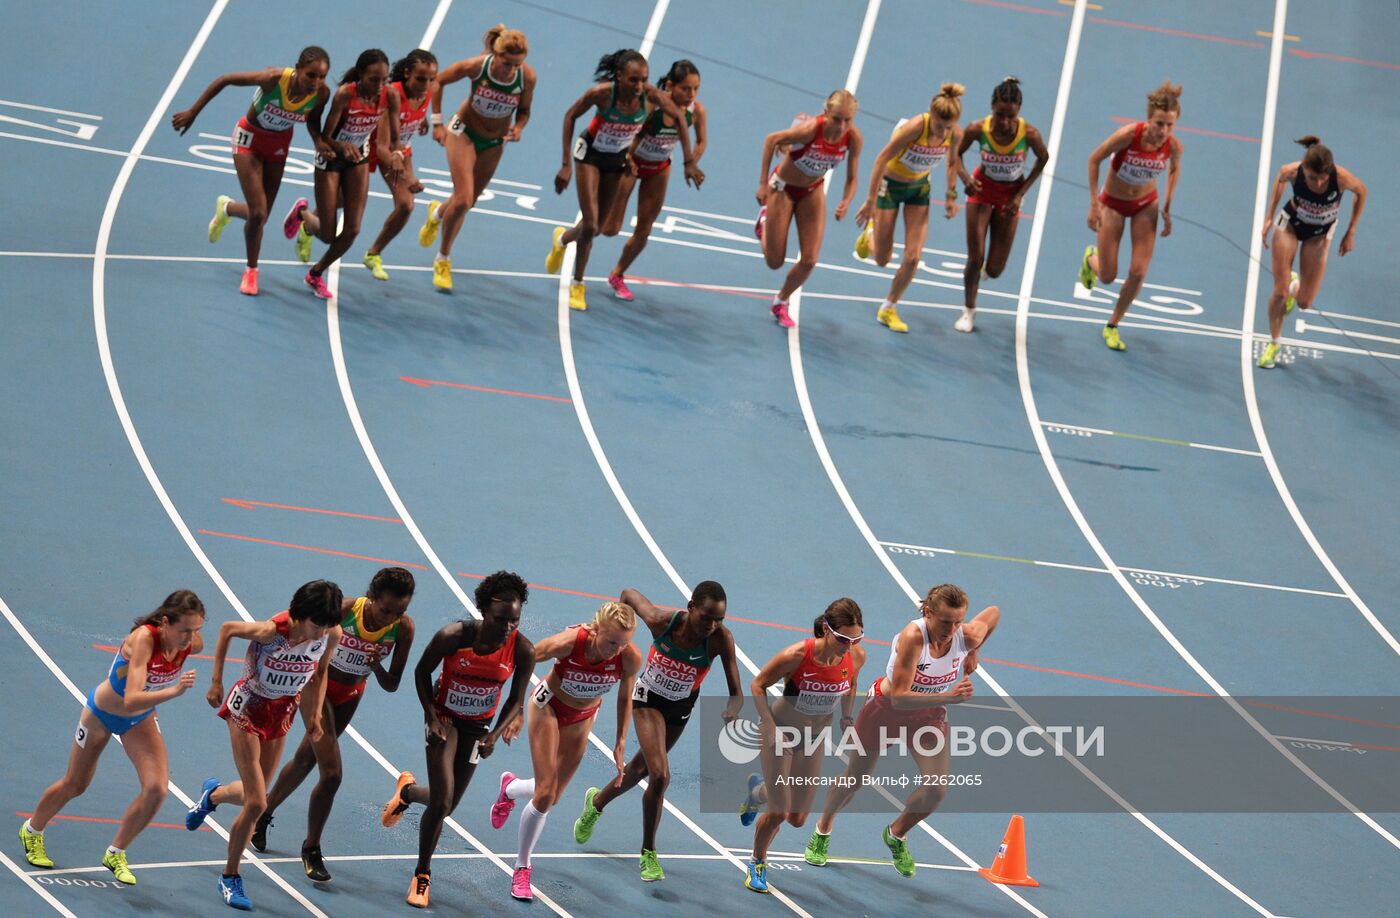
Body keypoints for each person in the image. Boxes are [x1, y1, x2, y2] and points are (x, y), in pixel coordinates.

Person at [804, 584, 999, 878]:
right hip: (886, 710)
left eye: (958, 621)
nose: (952, 628)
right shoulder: (913, 638)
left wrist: (975, 651)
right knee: (855, 779)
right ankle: (823, 829)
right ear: (928, 612)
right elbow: (900, 696)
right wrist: (949, 696)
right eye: (946, 621)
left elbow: (993, 613)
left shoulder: (964, 635)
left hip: (927, 715)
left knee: (936, 789)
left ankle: (896, 834)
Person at [19, 591, 204, 886]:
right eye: (185, 630)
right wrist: (175, 691)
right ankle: (32, 830)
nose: (191, 637)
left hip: (139, 719)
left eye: (197, 629)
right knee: (76, 783)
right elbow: (131, 698)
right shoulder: (144, 639)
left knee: (157, 789)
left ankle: (116, 852)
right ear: (166, 622)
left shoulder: (190, 642)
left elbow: (138, 706)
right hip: (102, 713)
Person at [379, 571, 535, 909]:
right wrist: (431, 716)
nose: (508, 626)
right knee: (441, 802)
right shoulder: (453, 636)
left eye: (515, 620)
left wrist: (494, 733)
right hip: (445, 720)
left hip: (478, 728)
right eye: (501, 618)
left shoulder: (522, 650)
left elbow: (516, 700)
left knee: (447, 804)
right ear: (482, 609)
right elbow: (422, 673)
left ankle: (406, 792)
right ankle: (422, 875)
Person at [250, 568, 416, 882]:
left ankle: (262, 814)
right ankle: (311, 847)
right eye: (386, 609)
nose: (391, 617)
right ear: (371, 598)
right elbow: (301, 634)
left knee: (305, 759)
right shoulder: (345, 611)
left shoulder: (403, 629)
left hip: (352, 694)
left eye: (400, 611)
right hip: (318, 688)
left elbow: (392, 683)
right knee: (332, 774)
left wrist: (375, 665)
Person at [184, 580, 343, 910]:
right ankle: (230, 877)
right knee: (257, 803)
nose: (322, 631)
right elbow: (228, 629)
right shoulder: (272, 631)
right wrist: (216, 681)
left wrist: (313, 715)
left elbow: (320, 671)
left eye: (327, 624)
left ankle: (211, 796)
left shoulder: (330, 634)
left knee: (251, 794)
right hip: (248, 708)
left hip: (281, 713)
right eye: (317, 624)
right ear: (300, 616)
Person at [572, 582, 743, 882]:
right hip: (648, 701)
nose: (711, 625)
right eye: (706, 617)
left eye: (719, 619)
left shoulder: (720, 640)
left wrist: (733, 709)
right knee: (661, 775)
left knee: (639, 770)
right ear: (690, 608)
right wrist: (615, 634)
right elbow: (626, 594)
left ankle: (596, 803)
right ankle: (648, 853)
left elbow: (736, 691)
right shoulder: (660, 621)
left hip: (680, 710)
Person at [489, 601, 642, 900]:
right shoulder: (572, 643)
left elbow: (626, 697)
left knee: (552, 796)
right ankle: (522, 867)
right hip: (548, 707)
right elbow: (528, 656)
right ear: (596, 629)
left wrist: (621, 741)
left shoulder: (629, 658)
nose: (616, 650)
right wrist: (516, 710)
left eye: (623, 643)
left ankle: (510, 788)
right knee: (545, 794)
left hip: (582, 719)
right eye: (611, 641)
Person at [547, 49, 702, 312]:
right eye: (633, 80)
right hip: (590, 155)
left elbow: (678, 118)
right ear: (619, 76)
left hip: (615, 160)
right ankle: (578, 284)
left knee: (597, 228)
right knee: (593, 223)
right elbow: (570, 116)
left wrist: (689, 162)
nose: (640, 86)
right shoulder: (602, 94)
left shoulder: (651, 95)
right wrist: (565, 165)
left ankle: (561, 240)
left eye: (644, 79)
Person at [172, 47, 331, 296]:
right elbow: (225, 80)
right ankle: (251, 271)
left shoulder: (321, 94)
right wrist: (193, 112)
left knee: (262, 215)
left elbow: (313, 121)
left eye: (322, 76)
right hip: (249, 140)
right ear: (298, 69)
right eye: (311, 75)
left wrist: (319, 142)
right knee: (258, 213)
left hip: (278, 145)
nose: (317, 82)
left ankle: (226, 209)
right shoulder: (272, 80)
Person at [739, 599, 865, 894]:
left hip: (813, 740)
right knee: (780, 813)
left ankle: (758, 791)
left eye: (856, 639)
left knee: (797, 819)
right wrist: (768, 725)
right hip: (780, 734)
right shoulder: (797, 655)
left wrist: (846, 717)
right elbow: (758, 684)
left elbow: (852, 682)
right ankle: (757, 862)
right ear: (826, 629)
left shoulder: (855, 656)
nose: (849, 646)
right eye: (844, 639)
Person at [417, 25, 536, 292]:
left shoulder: (527, 77)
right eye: (507, 63)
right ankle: (443, 259)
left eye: (517, 64)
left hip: (494, 142)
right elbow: (438, 81)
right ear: (496, 54)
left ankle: (436, 213)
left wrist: (519, 128)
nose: (510, 69)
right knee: (463, 199)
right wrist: (436, 122)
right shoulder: (476, 67)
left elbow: (525, 111)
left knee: (466, 201)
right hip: (464, 132)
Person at [282, 49, 397, 299]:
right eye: (373, 80)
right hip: (332, 158)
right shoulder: (345, 95)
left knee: (353, 229)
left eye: (384, 79)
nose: (379, 86)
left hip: (358, 158)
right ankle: (303, 213)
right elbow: (326, 136)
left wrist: (397, 157)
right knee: (327, 234)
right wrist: (341, 145)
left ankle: (315, 273)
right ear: (360, 76)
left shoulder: (389, 96)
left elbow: (396, 138)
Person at [1078, 82, 1185, 351]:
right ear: (1149, 119)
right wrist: (1093, 203)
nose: (1164, 131)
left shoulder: (1173, 146)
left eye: (1170, 125)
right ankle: (1091, 260)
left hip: (1145, 205)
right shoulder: (1128, 135)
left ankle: (1113, 324)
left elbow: (1174, 170)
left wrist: (1168, 206)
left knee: (1138, 272)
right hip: (1113, 204)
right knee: (1107, 276)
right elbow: (1093, 158)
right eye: (1160, 124)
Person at [854, 83, 966, 334]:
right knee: (882, 259)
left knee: (913, 257)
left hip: (919, 190)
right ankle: (870, 233)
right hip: (890, 187)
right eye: (939, 125)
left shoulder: (955, 134)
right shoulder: (916, 126)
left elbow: (952, 162)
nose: (942, 131)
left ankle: (888, 307)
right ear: (931, 114)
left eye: (947, 127)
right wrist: (870, 199)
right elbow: (882, 158)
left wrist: (950, 195)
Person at [597, 59, 708, 302]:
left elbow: (701, 141)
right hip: (632, 166)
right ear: (670, 85)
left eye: (696, 89)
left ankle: (617, 274)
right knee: (609, 228)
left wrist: (692, 161)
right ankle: (576, 231)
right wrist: (628, 156)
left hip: (659, 169)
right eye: (686, 89)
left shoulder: (696, 111)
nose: (691, 95)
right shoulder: (652, 106)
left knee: (644, 231)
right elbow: (631, 132)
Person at [1257, 136, 1367, 369]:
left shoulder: (1341, 178)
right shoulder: (1292, 172)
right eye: (1312, 178)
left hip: (1319, 234)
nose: (1317, 184)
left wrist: (1351, 232)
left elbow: (1362, 192)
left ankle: (1295, 286)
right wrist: (1269, 217)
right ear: (1303, 168)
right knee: (1279, 292)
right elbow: (1279, 179)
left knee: (1305, 303)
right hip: (1290, 225)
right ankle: (1274, 342)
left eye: (1322, 179)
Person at [756, 91, 863, 328]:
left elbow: (852, 178)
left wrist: (846, 199)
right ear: (826, 113)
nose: (842, 125)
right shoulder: (810, 130)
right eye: (837, 119)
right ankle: (764, 221)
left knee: (810, 259)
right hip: (783, 189)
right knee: (774, 261)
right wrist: (763, 184)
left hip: (812, 190)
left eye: (848, 120)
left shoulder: (853, 138)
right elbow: (771, 139)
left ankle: (781, 301)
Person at [953, 77, 1048, 333]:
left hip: (1010, 196)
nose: (1004, 122)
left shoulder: (1029, 134)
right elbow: (956, 154)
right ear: (991, 106)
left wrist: (1020, 194)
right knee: (975, 258)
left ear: (1019, 111)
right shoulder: (977, 129)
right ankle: (968, 310)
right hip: (982, 190)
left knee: (994, 269)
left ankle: (986, 272)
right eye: (999, 114)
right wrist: (965, 179)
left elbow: (1043, 159)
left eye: (1010, 116)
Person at [362, 50, 439, 281]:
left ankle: (373, 254)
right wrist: (408, 178)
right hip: (371, 148)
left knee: (406, 205)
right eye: (421, 79)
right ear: (407, 74)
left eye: (431, 80)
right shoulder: (392, 95)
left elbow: (417, 109)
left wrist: (421, 120)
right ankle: (306, 221)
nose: (426, 85)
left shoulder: (426, 92)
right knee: (344, 202)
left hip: (402, 151)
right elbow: (382, 148)